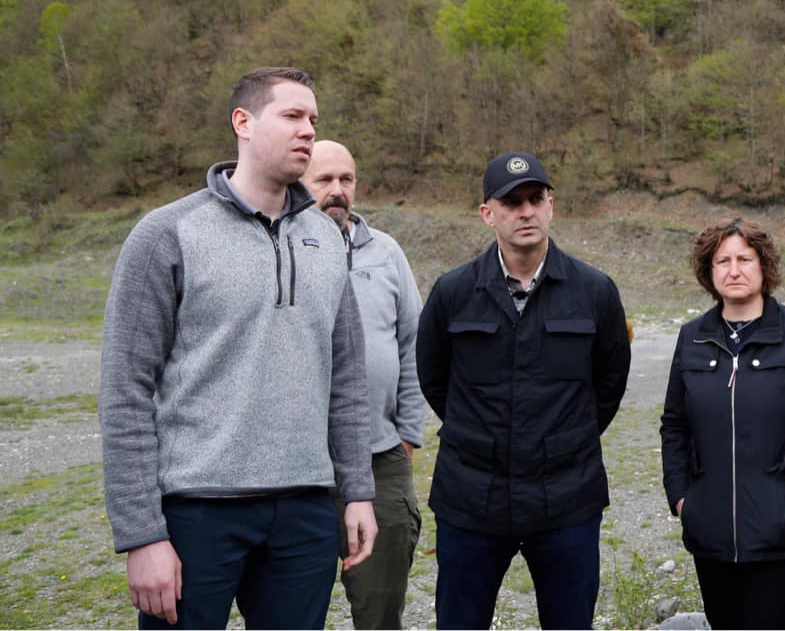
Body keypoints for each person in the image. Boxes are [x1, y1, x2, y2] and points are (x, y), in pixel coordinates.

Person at [99, 67, 377, 629]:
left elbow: (346, 378)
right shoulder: (168, 233)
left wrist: (357, 491)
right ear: (243, 123)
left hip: (304, 509)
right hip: (197, 511)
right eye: (292, 115)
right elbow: (125, 389)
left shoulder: (327, 239)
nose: (308, 130)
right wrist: (141, 534)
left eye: (313, 119)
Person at [416, 151, 632, 629]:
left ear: (551, 206)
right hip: (472, 497)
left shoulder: (595, 291)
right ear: (487, 213)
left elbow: (609, 383)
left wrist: (562, 439)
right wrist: (480, 434)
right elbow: (433, 376)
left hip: (566, 497)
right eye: (512, 202)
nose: (526, 211)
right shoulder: (453, 292)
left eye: (535, 199)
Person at [660, 216, 785, 630]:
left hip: (781, 531)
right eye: (722, 261)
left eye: (744, 259)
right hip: (708, 531)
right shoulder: (692, 337)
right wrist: (681, 498)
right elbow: (674, 424)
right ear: (709, 272)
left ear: (764, 266)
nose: (734, 270)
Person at [302, 140, 427, 629]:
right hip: (302, 470)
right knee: (290, 611)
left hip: (381, 460)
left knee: (380, 610)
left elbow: (413, 344)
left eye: (346, 179)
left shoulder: (386, 252)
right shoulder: (283, 247)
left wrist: (408, 432)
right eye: (324, 180)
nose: (337, 190)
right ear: (299, 183)